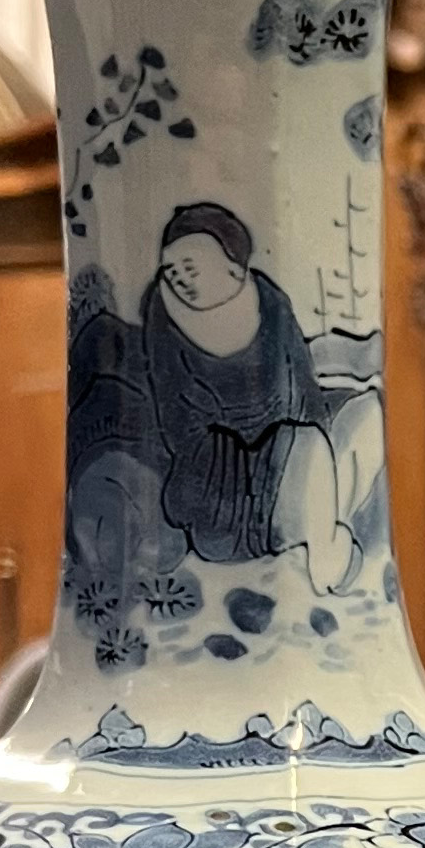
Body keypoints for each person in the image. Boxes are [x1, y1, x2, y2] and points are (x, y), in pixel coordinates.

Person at [143, 200, 372, 591]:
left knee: (366, 414)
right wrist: (290, 448)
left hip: (288, 449)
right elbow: (178, 424)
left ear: (232, 265)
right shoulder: (163, 313)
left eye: (190, 267)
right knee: (307, 446)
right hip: (222, 479)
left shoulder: (266, 297)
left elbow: (303, 385)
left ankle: (318, 520)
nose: (179, 278)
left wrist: (311, 440)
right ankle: (324, 552)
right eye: (171, 269)